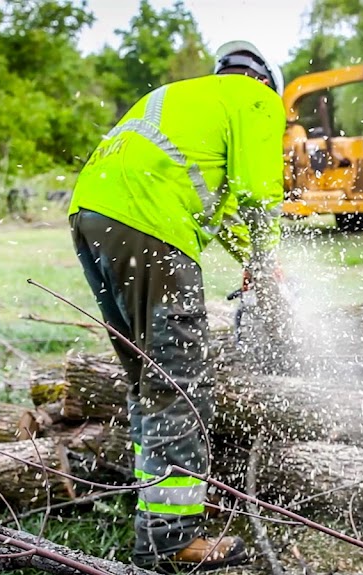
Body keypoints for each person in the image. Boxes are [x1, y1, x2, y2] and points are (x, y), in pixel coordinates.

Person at [66, 39, 287, 573]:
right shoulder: (255, 100)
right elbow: (260, 193)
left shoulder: (186, 96)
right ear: (267, 84)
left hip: (92, 216)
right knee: (180, 388)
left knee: (150, 380)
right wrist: (269, 264)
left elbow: (226, 203)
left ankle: (155, 518)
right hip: (151, 226)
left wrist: (257, 268)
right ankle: (170, 542)